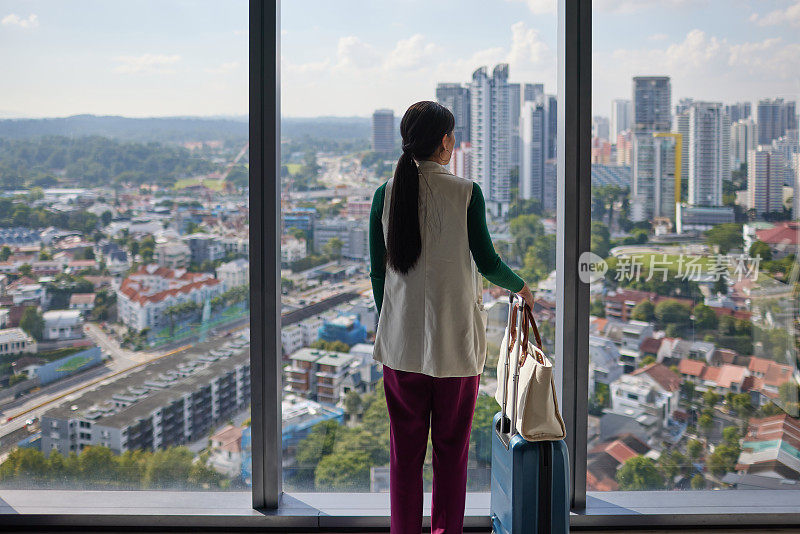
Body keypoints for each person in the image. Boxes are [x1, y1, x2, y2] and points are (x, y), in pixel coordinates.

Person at [369, 101, 535, 534]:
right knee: (451, 456)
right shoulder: (466, 192)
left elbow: (376, 273)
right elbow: (487, 261)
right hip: (455, 351)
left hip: (401, 351)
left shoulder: (385, 193)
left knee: (405, 459)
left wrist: (393, 320)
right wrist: (521, 286)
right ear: (445, 142)